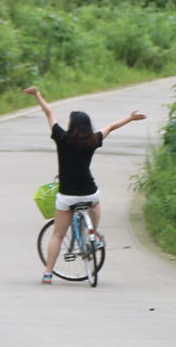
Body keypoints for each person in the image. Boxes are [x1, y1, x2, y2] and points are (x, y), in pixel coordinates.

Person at [22, 86, 147, 283]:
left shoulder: (62, 137)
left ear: (71, 125)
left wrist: (37, 95)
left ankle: (48, 273)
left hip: (67, 195)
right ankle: (93, 234)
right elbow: (112, 127)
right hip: (88, 192)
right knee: (95, 203)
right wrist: (130, 118)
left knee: (57, 235)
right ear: (88, 126)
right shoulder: (93, 139)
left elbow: (50, 112)